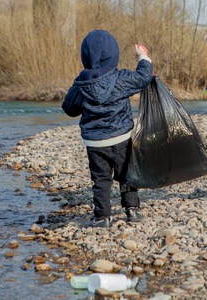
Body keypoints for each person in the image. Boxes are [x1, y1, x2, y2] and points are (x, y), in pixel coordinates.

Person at [61, 30, 153, 228]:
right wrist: (143, 56)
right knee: (127, 174)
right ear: (114, 55)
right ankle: (132, 210)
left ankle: (102, 217)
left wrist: (77, 85)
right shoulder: (121, 78)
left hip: (95, 142)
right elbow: (144, 77)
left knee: (101, 179)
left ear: (85, 57)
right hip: (121, 137)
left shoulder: (82, 84)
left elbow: (69, 109)